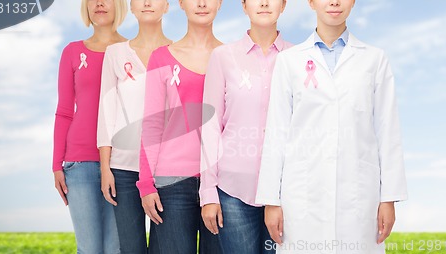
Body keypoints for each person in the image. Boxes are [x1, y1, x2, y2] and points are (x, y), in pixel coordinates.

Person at [255, 0, 408, 253]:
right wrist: (271, 200)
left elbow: (388, 131)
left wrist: (388, 198)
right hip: (303, 195)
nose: (334, 2)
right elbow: (276, 133)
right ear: (312, 2)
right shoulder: (289, 61)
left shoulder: (374, 59)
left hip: (358, 196)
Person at [199, 0, 292, 253]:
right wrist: (208, 192)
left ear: (283, 5)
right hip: (233, 191)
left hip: (287, 191)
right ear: (243, 5)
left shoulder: (297, 59)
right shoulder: (223, 57)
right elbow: (210, 127)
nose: (263, 3)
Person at [136, 0, 223, 253]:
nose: (202, 3)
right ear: (181, 3)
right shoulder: (161, 57)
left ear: (219, 3)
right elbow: (152, 123)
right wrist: (146, 183)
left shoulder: (230, 58)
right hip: (171, 183)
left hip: (220, 182)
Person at [97, 0, 172, 253]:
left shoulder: (178, 52)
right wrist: (106, 168)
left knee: (165, 246)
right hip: (123, 169)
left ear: (167, 6)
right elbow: (106, 113)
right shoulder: (115, 53)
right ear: (131, 7)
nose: (148, 3)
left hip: (166, 170)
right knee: (131, 248)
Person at [52, 0, 127, 253]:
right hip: (78, 164)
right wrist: (56, 165)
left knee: (115, 248)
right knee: (89, 249)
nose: (99, 3)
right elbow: (64, 112)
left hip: (121, 164)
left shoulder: (131, 51)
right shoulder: (72, 52)